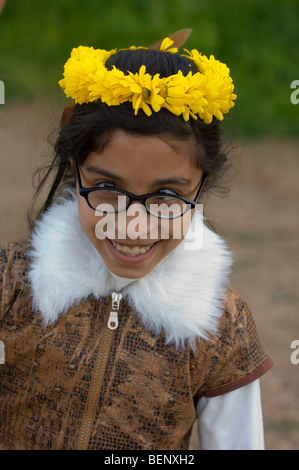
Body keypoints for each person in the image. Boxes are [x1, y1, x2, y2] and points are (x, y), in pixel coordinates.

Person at [0, 34, 272, 450]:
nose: (133, 225)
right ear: (75, 171)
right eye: (107, 185)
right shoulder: (8, 286)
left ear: (202, 188)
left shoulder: (221, 327)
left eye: (166, 195)